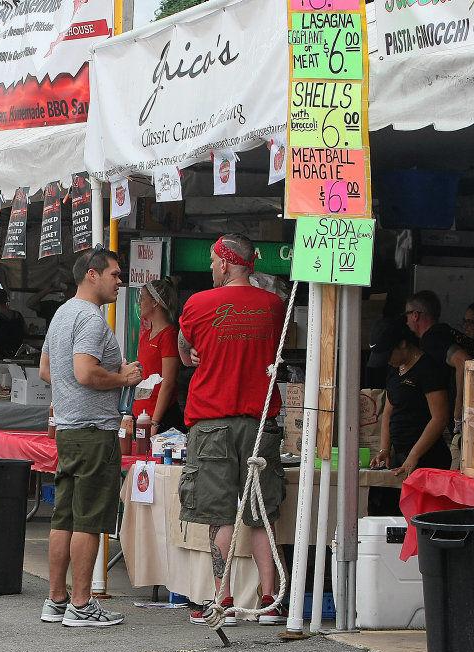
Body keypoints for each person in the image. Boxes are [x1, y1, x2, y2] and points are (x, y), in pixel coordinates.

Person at [176, 233, 287, 626]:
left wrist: (197, 353)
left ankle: (222, 598)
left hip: (212, 423)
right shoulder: (274, 305)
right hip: (261, 424)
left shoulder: (198, 304)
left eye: (211, 260)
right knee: (262, 512)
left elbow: (185, 352)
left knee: (219, 515)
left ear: (225, 262)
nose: (209, 267)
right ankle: (269, 599)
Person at [38, 246, 142, 627]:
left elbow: (47, 370)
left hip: (67, 427)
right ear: (92, 275)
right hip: (93, 430)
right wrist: (123, 378)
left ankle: (57, 599)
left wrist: (74, 390)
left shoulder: (62, 314)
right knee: (88, 519)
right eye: (115, 274)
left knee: (63, 516)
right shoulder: (92, 319)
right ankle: (81, 604)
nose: (121, 281)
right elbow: (84, 372)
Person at [368, 318, 452, 514]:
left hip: (427, 456)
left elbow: (439, 418)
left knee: (421, 513)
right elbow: (389, 411)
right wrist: (384, 448)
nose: (388, 360)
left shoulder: (428, 369)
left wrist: (414, 455)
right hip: (400, 454)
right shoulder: (394, 370)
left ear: (403, 344)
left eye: (389, 354)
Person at [404, 290, 474, 430]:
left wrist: (458, 411)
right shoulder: (448, 332)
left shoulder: (433, 338)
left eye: (406, 315)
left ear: (415, 315)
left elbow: (464, 361)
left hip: (465, 416)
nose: (406, 321)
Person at [133, 277, 185, 431]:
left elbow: (167, 383)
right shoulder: (146, 335)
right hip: (141, 413)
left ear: (155, 302)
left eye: (143, 299)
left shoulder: (168, 335)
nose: (139, 303)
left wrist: (155, 421)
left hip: (160, 417)